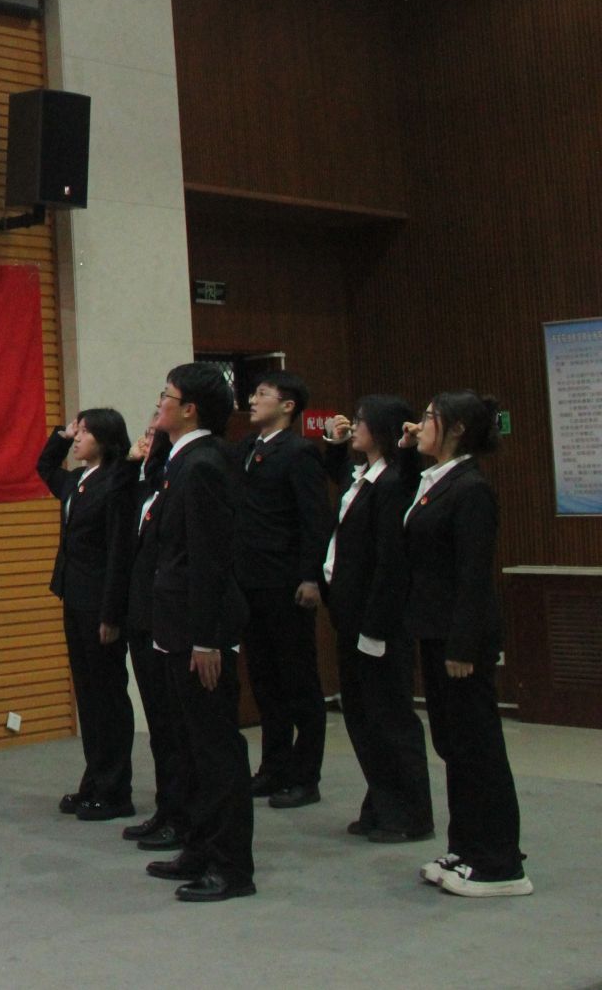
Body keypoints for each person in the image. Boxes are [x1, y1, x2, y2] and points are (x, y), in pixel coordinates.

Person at [403, 390, 531, 897]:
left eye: (428, 418)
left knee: (478, 749)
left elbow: (473, 575)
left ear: (456, 429)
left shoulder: (471, 489)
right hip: (436, 631)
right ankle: (467, 848)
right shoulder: (436, 480)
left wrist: (463, 645)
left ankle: (500, 863)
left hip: (461, 641)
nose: (419, 425)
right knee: (454, 745)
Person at [142, 363, 254, 902]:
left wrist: (207, 639)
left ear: (189, 409)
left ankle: (231, 866)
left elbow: (209, 560)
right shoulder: (180, 459)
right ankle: (199, 847)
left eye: (166, 395)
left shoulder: (205, 464)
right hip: (176, 624)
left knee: (215, 750)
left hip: (198, 631)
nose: (158, 403)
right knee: (190, 746)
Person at [319, 398, 434, 843]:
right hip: (350, 615)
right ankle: (382, 802)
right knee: (363, 717)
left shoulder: (392, 483)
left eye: (362, 422)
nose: (355, 427)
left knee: (389, 718)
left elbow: (390, 562)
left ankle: (410, 814)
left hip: (378, 620)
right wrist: (335, 445)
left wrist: (375, 626)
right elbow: (339, 475)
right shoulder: (363, 478)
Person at [232, 371, 331, 809]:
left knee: (298, 682)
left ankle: (305, 776)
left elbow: (315, 519)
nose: (253, 400)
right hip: (250, 580)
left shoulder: (299, 452)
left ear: (288, 406)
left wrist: (310, 576)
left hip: (286, 582)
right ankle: (273, 768)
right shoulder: (247, 449)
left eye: (262, 394)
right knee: (265, 681)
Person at [36, 409, 136, 822]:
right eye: (77, 432)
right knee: (88, 695)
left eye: (85, 432)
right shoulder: (78, 480)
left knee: (108, 695)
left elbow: (118, 553)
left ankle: (116, 789)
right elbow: (44, 467)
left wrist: (112, 613)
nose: (78, 438)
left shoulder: (117, 483)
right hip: (74, 597)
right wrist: (61, 435)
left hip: (100, 603)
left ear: (107, 440)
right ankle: (94, 780)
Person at [114, 426, 187, 853]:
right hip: (142, 615)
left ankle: (182, 814)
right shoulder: (147, 488)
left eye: (152, 433)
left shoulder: (179, 485)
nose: (144, 439)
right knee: (159, 725)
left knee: (174, 727)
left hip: (167, 618)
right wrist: (130, 465)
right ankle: (166, 808)